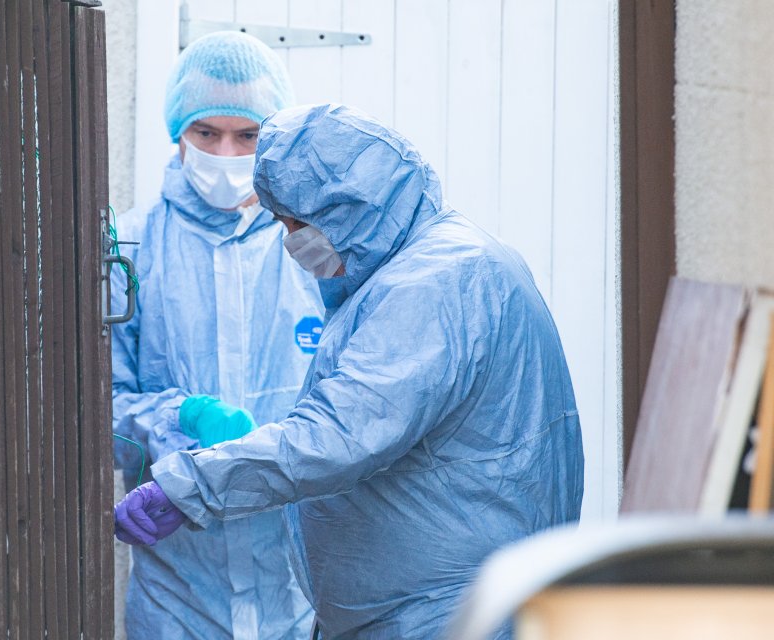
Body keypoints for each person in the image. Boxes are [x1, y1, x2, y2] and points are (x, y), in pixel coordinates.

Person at [115, 104, 585, 640]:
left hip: (444, 612)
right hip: (438, 603)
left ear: (348, 207)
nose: (291, 241)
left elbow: (338, 436)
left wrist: (189, 485)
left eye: (295, 222)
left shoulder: (434, 282)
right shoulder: (433, 261)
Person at [110, 32, 323, 639]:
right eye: (207, 133)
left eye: (247, 135)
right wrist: (178, 417)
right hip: (177, 592)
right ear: (178, 132)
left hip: (300, 587)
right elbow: (97, 406)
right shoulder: (131, 249)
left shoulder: (315, 251)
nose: (226, 152)